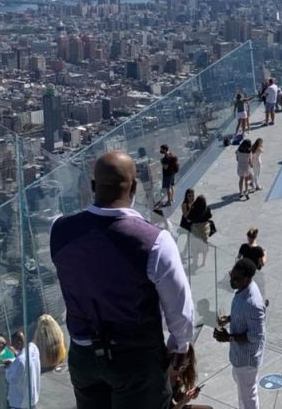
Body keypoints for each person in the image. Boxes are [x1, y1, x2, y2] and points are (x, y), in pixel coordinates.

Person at [50, 151, 195, 409]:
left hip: (83, 356)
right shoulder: (155, 242)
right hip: (136, 359)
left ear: (94, 187)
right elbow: (180, 309)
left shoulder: (59, 230)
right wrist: (180, 345)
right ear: (134, 188)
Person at [213, 259, 266, 409]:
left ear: (247, 278)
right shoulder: (243, 288)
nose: (232, 281)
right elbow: (244, 315)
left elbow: (256, 336)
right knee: (243, 392)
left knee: (249, 396)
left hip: (247, 360)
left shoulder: (253, 303)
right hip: (239, 356)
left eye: (236, 279)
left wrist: (228, 337)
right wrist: (229, 319)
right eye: (231, 275)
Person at [4, 330, 41, 409]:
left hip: (21, 402)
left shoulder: (20, 361)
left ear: (19, 343)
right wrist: (16, 358)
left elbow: (12, 379)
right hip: (33, 397)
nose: (13, 346)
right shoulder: (33, 348)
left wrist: (8, 368)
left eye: (14, 344)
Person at [167, 342, 210, 409]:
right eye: (182, 366)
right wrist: (183, 402)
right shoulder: (162, 380)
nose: (188, 363)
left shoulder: (177, 376)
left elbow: (174, 399)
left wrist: (185, 396)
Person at [187, 195, 213, 269]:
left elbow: (188, 219)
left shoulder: (193, 210)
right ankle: (203, 262)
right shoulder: (207, 209)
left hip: (195, 231)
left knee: (194, 249)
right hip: (204, 230)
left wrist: (191, 207)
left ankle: (195, 263)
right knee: (204, 247)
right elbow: (210, 216)